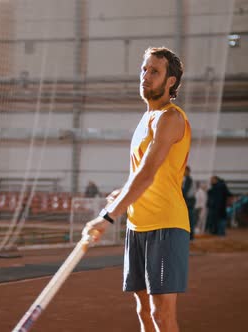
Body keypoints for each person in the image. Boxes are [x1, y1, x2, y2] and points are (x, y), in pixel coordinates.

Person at [83, 47, 190, 332]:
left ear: (171, 82)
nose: (145, 76)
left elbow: (147, 174)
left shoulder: (170, 118)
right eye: (144, 69)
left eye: (154, 71)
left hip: (166, 225)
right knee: (143, 311)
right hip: (137, 225)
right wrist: (122, 193)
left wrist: (107, 216)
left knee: (161, 314)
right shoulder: (145, 120)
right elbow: (142, 177)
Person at [182, 166, 196, 241]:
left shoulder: (188, 180)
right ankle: (190, 236)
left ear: (188, 171)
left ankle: (191, 236)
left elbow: (185, 192)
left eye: (184, 170)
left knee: (190, 220)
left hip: (189, 203)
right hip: (189, 202)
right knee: (189, 220)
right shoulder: (187, 180)